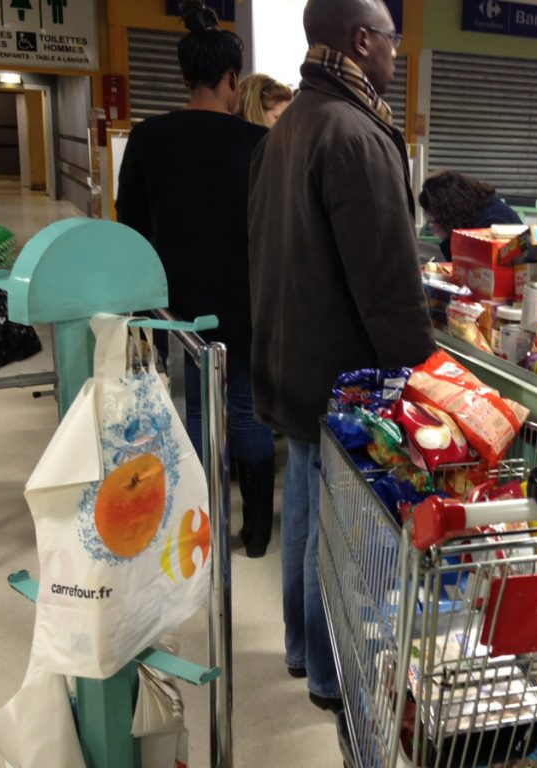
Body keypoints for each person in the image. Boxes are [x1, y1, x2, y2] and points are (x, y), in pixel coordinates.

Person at [248, 0, 436, 712]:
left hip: (291, 358)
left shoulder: (286, 128)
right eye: (391, 39)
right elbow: (388, 281)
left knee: (304, 508)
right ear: (361, 41)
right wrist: (426, 378)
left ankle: (302, 649)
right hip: (344, 381)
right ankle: (331, 675)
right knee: (344, 531)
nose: (396, 52)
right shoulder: (354, 133)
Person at [116, 1, 277, 558]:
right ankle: (257, 532)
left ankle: (201, 528)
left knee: (195, 414)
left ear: (185, 77)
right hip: (247, 301)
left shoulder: (148, 138)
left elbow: (132, 227)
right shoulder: (258, 144)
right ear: (232, 78)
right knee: (249, 413)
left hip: (177, 305)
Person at [418, 171, 522, 260]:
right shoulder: (476, 210)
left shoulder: (491, 222)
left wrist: (446, 235)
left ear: (448, 213)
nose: (433, 229)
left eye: (434, 221)